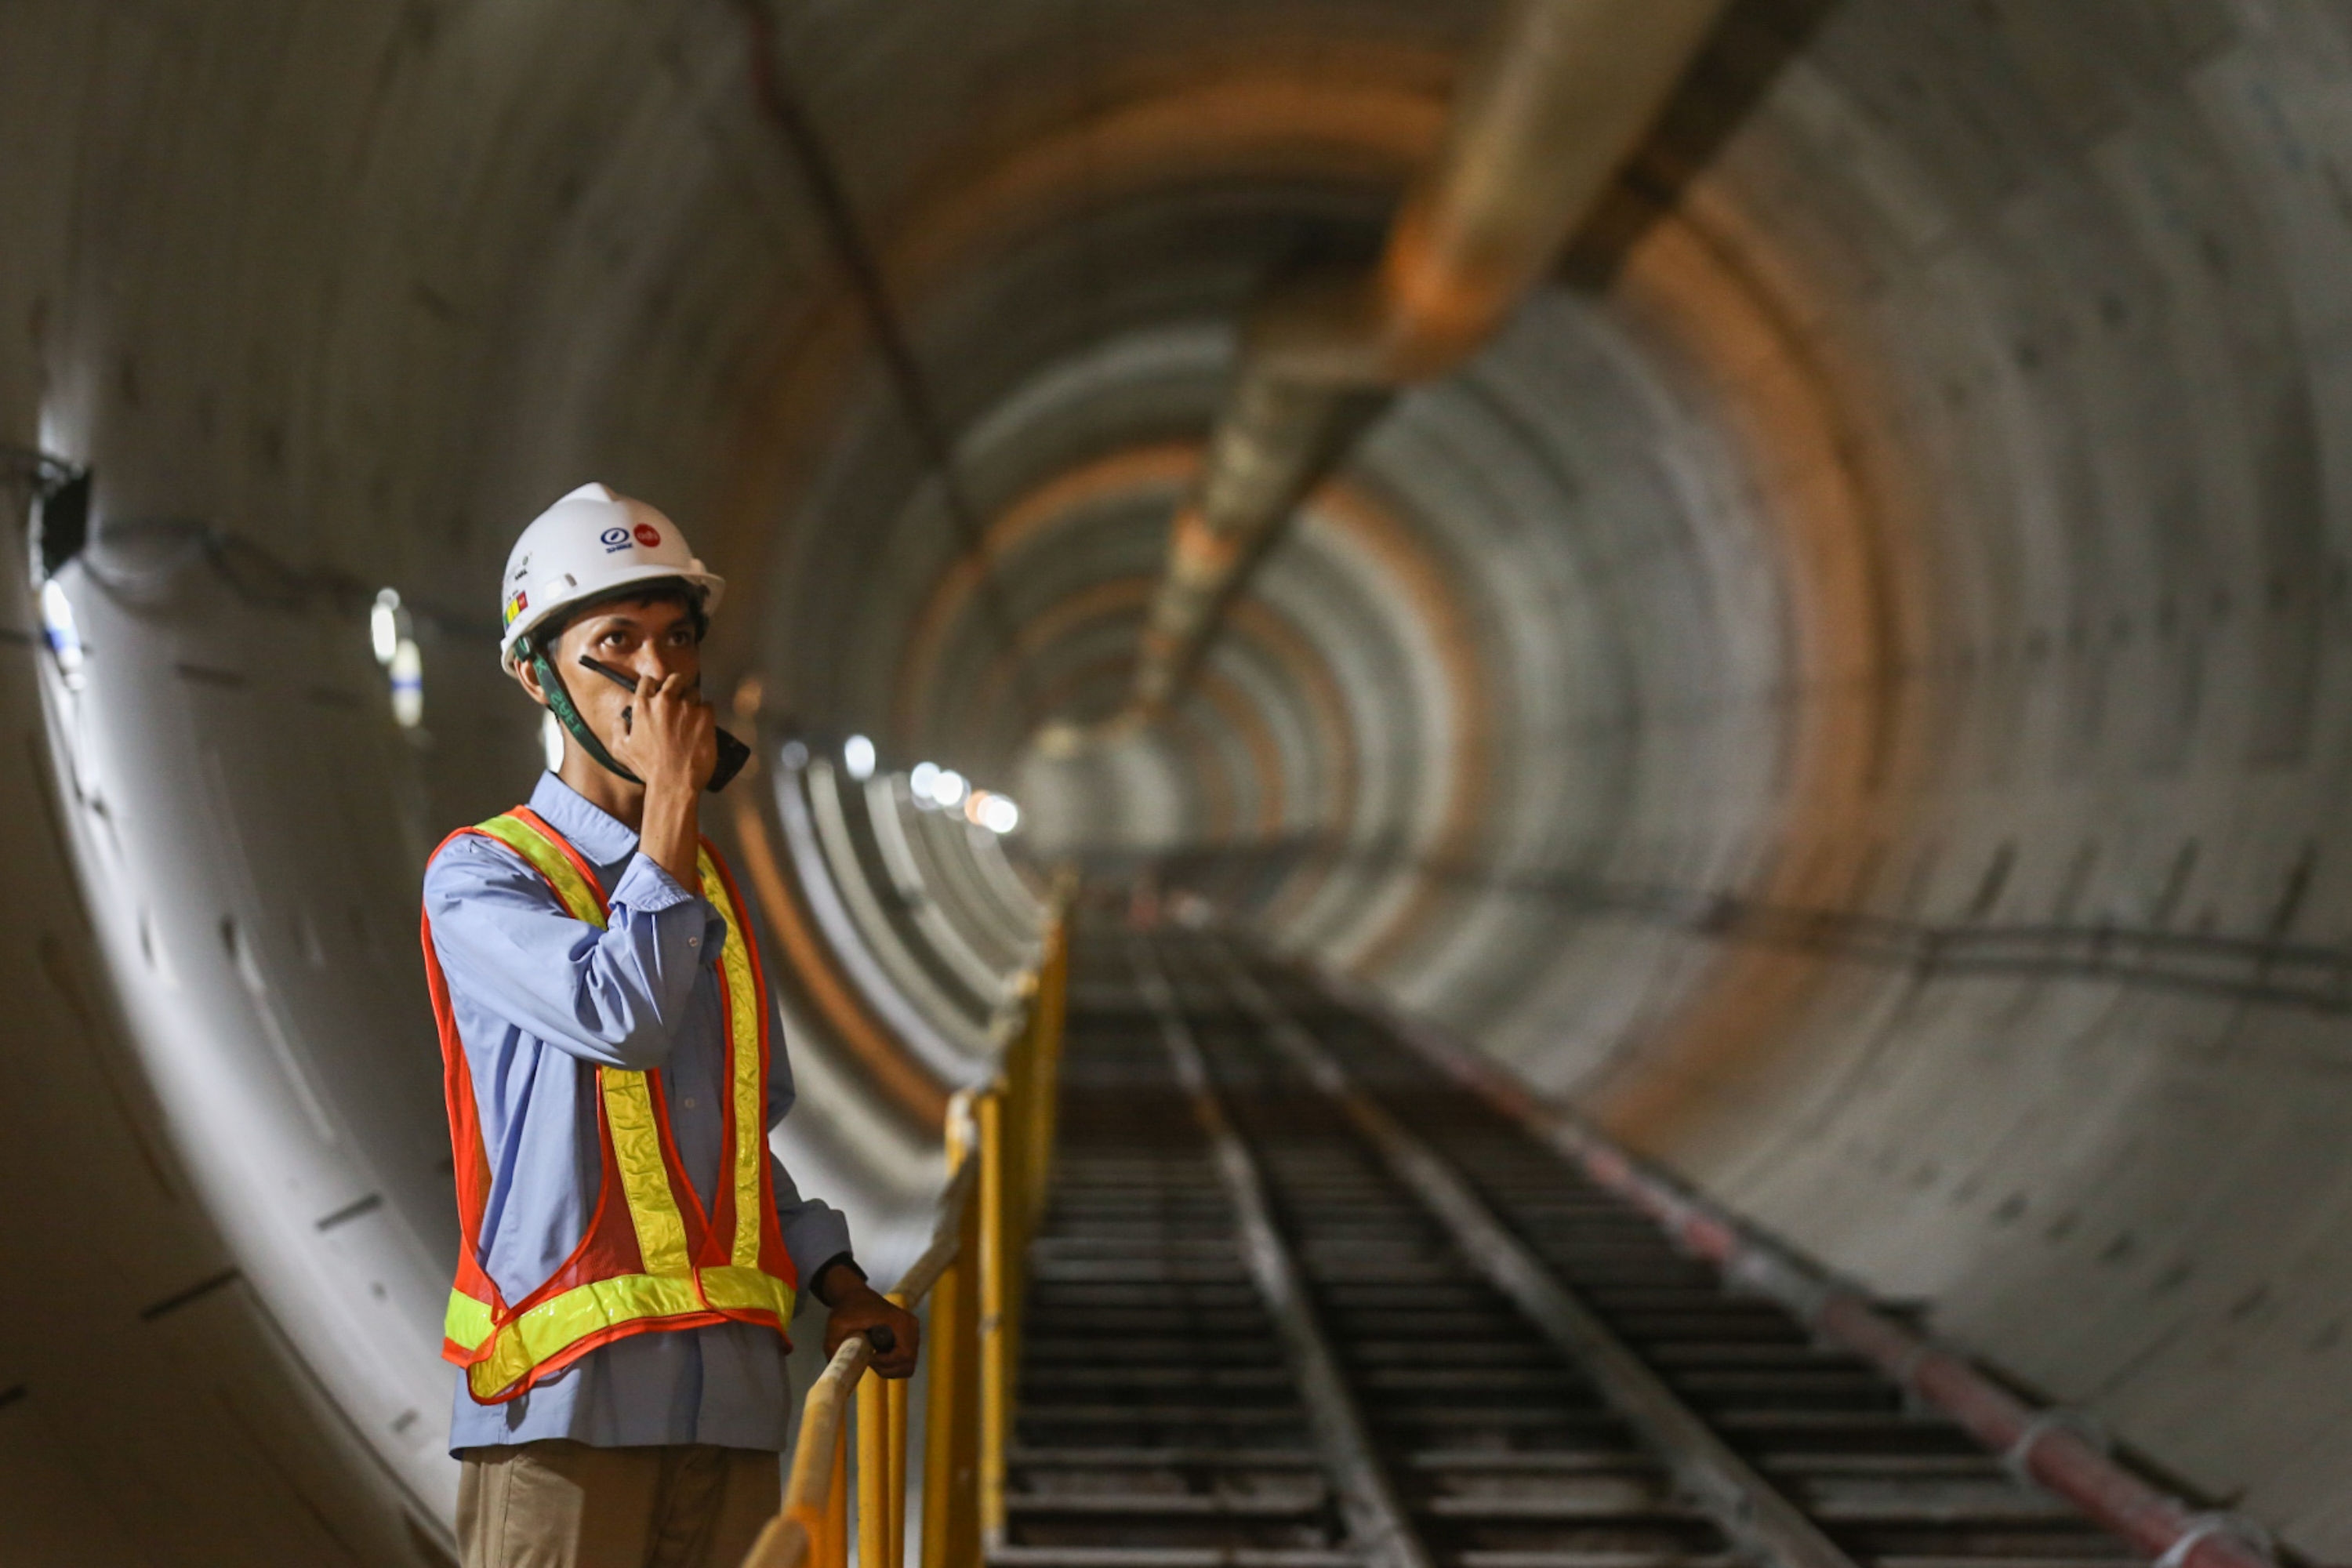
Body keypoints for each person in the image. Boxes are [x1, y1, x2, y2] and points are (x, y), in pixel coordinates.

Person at [420, 483, 919, 1568]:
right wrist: (673, 804)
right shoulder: (484, 877)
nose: (658, 672)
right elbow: (625, 1016)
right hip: (569, 1415)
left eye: (677, 637)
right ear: (537, 674)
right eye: (615, 642)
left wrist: (835, 1281)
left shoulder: (709, 889)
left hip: (730, 1409)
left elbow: (728, 1152)